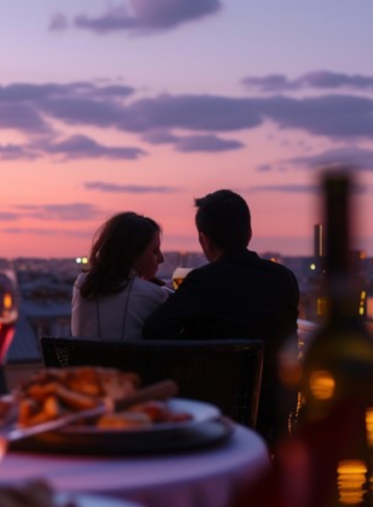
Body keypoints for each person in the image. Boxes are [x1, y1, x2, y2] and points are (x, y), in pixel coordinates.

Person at [142, 189, 299, 444]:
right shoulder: (284, 278)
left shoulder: (204, 282)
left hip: (212, 415)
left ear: (203, 239)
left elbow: (154, 330)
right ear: (248, 233)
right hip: (273, 413)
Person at [71, 212, 170, 340]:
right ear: (134, 254)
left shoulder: (82, 285)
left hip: (85, 360)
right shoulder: (154, 295)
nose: (161, 259)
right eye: (155, 251)